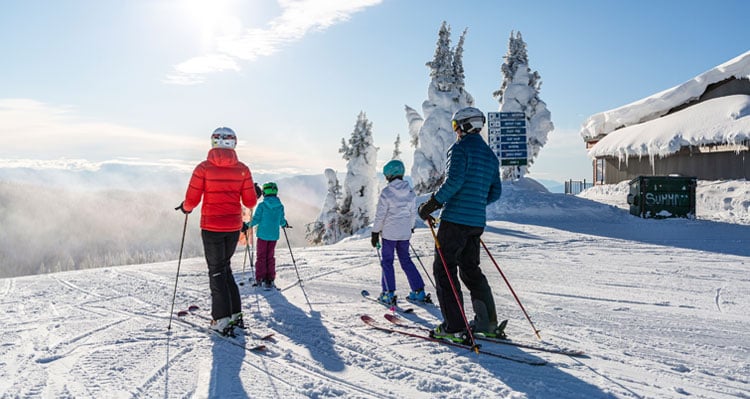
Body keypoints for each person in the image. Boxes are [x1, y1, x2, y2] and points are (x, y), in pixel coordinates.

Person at [417, 106, 504, 343]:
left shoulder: (459, 149)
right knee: (470, 270)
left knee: (444, 270)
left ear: (464, 126)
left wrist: (431, 204)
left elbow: (454, 181)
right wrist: (475, 202)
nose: (455, 131)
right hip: (476, 222)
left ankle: (454, 327)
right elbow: (495, 192)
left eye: (455, 126)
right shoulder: (489, 155)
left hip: (455, 221)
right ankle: (487, 323)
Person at [176, 126, 257, 335]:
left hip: (211, 227)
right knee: (225, 268)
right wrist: (252, 191)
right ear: (234, 143)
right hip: (232, 227)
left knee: (217, 271)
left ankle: (221, 319)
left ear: (213, 143)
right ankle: (235, 315)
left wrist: (185, 207)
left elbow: (192, 200)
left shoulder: (203, 168)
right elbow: (249, 201)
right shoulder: (243, 169)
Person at [371, 159, 430, 305]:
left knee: (387, 262)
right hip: (404, 234)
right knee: (406, 260)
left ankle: (388, 293)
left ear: (389, 176)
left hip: (389, 234)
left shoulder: (386, 193)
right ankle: (419, 291)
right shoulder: (410, 192)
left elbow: (380, 215)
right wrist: (410, 228)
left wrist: (375, 232)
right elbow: (412, 214)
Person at [246, 182, 289, 290]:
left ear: (264, 192)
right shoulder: (280, 206)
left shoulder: (262, 206)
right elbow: (281, 220)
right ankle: (270, 278)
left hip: (262, 235)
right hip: (274, 236)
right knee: (270, 256)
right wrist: (285, 224)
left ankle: (260, 277)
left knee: (261, 256)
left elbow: (256, 219)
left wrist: (247, 225)